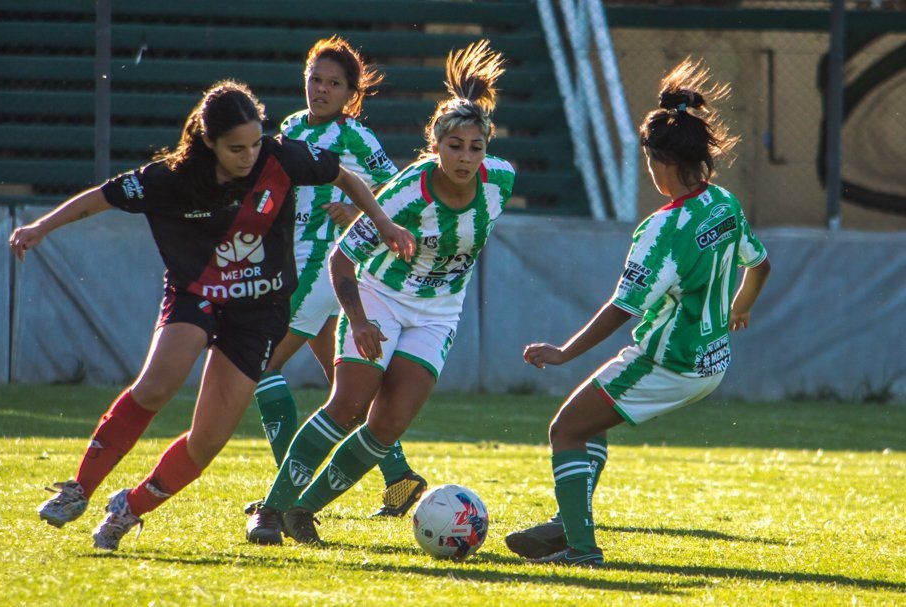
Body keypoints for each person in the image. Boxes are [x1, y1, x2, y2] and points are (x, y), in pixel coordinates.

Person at [12, 79, 415, 551]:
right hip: (195, 296)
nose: (249, 156)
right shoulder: (171, 177)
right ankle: (79, 488)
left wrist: (383, 222)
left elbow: (345, 177)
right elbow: (101, 196)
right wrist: (40, 227)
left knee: (206, 442)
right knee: (158, 384)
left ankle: (128, 509)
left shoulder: (280, 156)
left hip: (260, 312)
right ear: (208, 142)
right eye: (235, 148)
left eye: (254, 143)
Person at [505, 58, 772, 567]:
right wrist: (740, 308)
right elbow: (761, 266)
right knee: (591, 425)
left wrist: (563, 352)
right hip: (711, 361)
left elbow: (621, 308)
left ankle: (580, 546)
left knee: (565, 430)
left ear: (659, 161)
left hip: (668, 362)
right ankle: (570, 521)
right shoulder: (724, 204)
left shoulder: (661, 229)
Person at [246, 39, 513, 546]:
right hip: (378, 299)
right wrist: (362, 319)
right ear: (434, 146)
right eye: (454, 146)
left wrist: (359, 212)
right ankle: (273, 509)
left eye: (475, 148)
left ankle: (304, 508)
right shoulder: (408, 190)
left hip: (438, 314)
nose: (464, 157)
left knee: (387, 422)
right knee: (344, 400)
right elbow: (342, 260)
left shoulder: (499, 180)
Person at [249, 36, 426, 520]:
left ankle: (283, 489)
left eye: (333, 83)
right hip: (297, 264)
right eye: (315, 79)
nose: (321, 89)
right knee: (342, 387)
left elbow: (395, 190)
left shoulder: (356, 138)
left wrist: (354, 211)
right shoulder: (289, 127)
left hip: (327, 269)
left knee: (260, 366)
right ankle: (400, 480)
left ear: (351, 93)